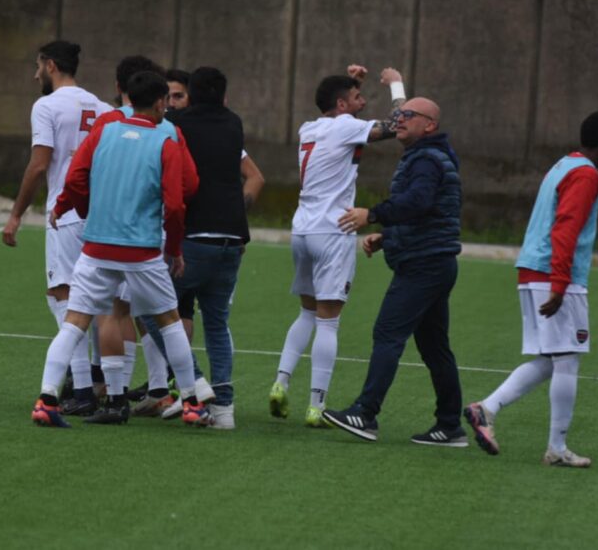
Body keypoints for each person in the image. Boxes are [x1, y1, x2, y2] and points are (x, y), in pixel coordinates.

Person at [32, 70, 208, 427]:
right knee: (169, 322)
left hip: (96, 247)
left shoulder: (105, 129)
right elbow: (176, 203)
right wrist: (174, 248)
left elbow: (77, 176)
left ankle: (46, 400)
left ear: (126, 96)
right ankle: (191, 403)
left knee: (74, 323)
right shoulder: (167, 139)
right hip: (140, 250)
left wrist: (66, 207)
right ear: (161, 103)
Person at [464, 112, 598, 468]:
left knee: (552, 359)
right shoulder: (585, 174)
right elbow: (566, 228)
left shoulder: (564, 164)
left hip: (532, 268)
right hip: (552, 272)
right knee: (567, 359)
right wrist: (560, 283)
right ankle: (556, 447)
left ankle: (486, 408)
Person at [322, 96, 467, 447]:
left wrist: (371, 215)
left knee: (388, 333)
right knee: (435, 348)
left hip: (424, 264)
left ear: (429, 125)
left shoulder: (427, 160)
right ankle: (450, 425)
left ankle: (365, 412)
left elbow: (417, 202)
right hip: (433, 260)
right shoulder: (428, 157)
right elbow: (427, 213)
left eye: (408, 115)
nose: (399, 120)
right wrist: (387, 237)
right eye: (398, 114)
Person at [269, 65, 404, 428]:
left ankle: (281, 382)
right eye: (358, 96)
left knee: (307, 314)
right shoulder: (347, 126)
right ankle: (317, 405)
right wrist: (396, 85)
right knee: (329, 323)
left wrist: (353, 83)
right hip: (335, 230)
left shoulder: (308, 128)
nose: (364, 101)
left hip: (303, 230)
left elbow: (340, 114)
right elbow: (398, 124)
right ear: (343, 104)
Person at [2, 41, 112, 413]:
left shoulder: (46, 106)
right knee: (96, 300)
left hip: (65, 215)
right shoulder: (103, 107)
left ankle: (81, 389)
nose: (35, 75)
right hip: (100, 216)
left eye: (37, 67)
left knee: (64, 298)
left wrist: (16, 213)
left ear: (50, 65)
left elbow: (38, 165)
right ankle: (97, 383)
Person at [161, 66, 248, 429]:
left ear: (191, 95)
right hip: (233, 236)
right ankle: (224, 410)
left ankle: (193, 381)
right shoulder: (234, 124)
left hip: (196, 235)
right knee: (216, 322)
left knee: (155, 309)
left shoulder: (179, 125)